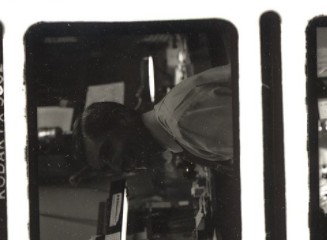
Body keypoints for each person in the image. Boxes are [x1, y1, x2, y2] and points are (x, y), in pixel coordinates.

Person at [78, 64, 233, 180]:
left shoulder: (182, 122)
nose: (118, 166)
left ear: (121, 118)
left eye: (108, 151)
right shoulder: (174, 127)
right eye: (107, 165)